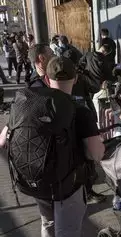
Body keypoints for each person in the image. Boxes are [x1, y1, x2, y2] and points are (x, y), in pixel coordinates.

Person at [0, 56, 105, 237]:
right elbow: (95, 154)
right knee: (68, 231)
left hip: (35, 180)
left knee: (48, 222)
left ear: (47, 80)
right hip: (67, 186)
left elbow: (2, 141)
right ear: (76, 79)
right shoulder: (80, 112)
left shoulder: (27, 104)